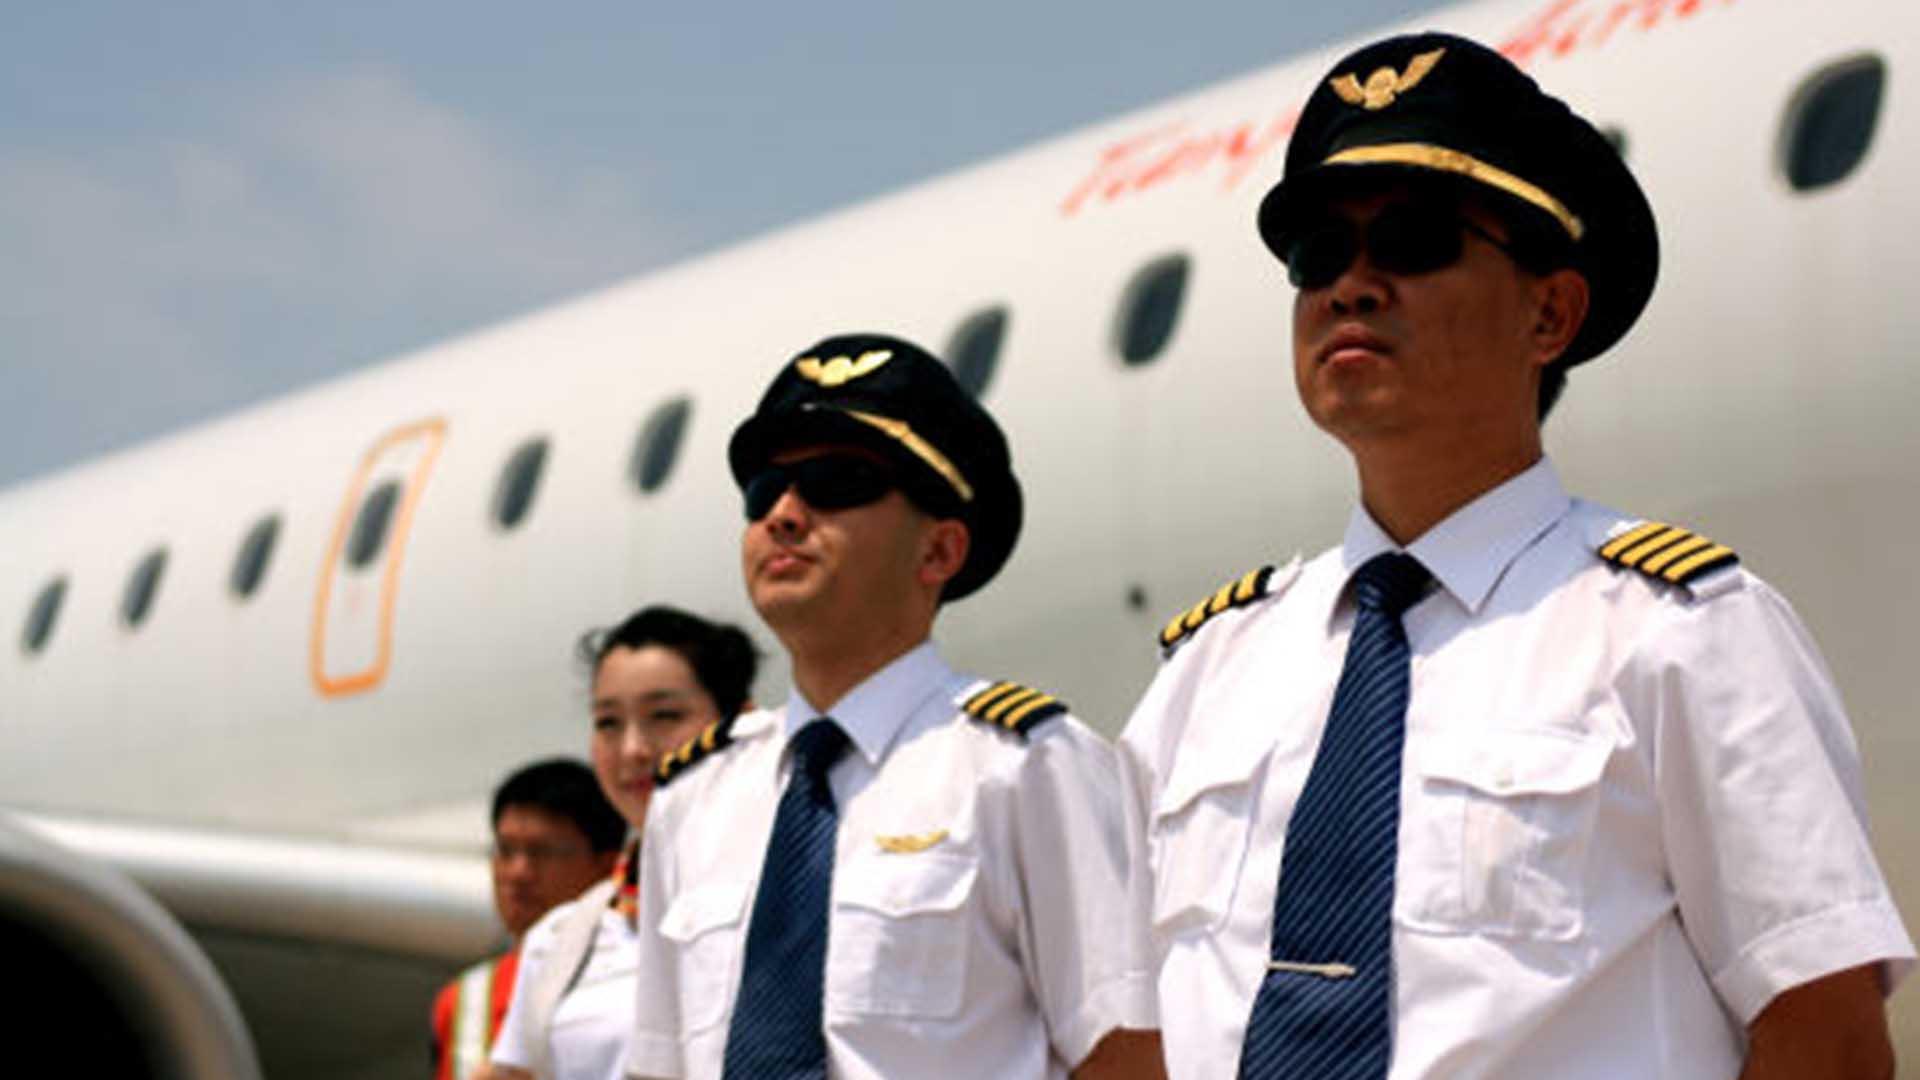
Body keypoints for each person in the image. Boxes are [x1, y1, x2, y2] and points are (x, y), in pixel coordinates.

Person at [1119, 31, 1914, 1080]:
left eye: (1412, 240)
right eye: (1319, 253)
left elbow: (1826, 1035)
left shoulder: (1679, 634)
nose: (1352, 286)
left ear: (1550, 313)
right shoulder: (1206, 677)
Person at [625, 334, 1161, 1079]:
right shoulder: (693, 799)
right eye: (764, 489)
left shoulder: (1027, 767)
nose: (784, 513)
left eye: (836, 481)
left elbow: (1126, 1054)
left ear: (939, 551)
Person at [486, 606, 760, 1080]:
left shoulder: (796, 903)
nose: (633, 749)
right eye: (608, 722)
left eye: (665, 715)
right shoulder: (561, 941)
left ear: (743, 723)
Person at [432, 759, 625, 1080]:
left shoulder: (633, 984)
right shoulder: (465, 999)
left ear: (607, 866)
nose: (518, 872)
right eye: (505, 850)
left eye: (543, 852)